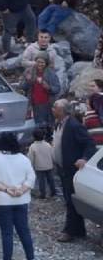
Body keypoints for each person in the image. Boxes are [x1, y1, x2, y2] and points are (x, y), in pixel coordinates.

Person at [0, 133, 35, 260]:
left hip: (2, 201)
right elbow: (31, 178)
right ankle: (31, 257)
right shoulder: (23, 159)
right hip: (21, 200)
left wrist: (6, 189)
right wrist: (21, 190)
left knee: (7, 233)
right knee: (24, 231)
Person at [52, 98, 97, 242]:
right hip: (62, 168)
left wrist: (84, 158)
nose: (52, 109)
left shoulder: (73, 125)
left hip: (72, 169)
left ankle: (69, 231)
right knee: (68, 198)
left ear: (62, 110)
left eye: (55, 107)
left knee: (71, 200)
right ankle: (78, 230)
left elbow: (90, 143)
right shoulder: (58, 123)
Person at [21, 55, 61, 130]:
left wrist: (49, 87)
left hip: (48, 104)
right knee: (37, 126)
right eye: (38, 62)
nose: (40, 64)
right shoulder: (29, 71)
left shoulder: (51, 73)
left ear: (46, 63)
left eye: (42, 62)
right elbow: (22, 87)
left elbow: (57, 88)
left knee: (48, 125)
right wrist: (28, 81)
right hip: (34, 104)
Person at [28, 128, 56, 199]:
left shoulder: (32, 147)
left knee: (41, 181)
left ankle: (43, 194)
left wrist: (31, 166)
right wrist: (53, 163)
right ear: (43, 136)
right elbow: (52, 155)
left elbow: (31, 158)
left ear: (33, 137)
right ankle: (53, 192)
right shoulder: (47, 145)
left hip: (39, 167)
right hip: (49, 166)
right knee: (51, 180)